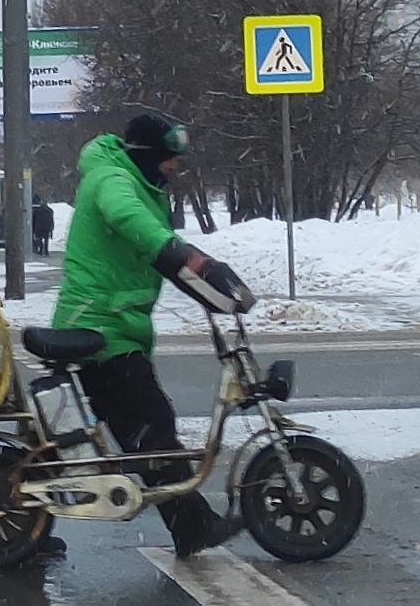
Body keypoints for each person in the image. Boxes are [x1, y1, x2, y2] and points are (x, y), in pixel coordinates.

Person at [52, 114, 255, 558]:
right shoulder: (112, 180)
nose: (174, 170)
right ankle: (192, 526)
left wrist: (204, 283)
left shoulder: (133, 181)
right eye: (167, 161)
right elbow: (139, 228)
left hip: (115, 327)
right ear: (145, 156)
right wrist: (193, 262)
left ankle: (191, 524)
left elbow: (155, 245)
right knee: (151, 431)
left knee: (149, 430)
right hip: (100, 328)